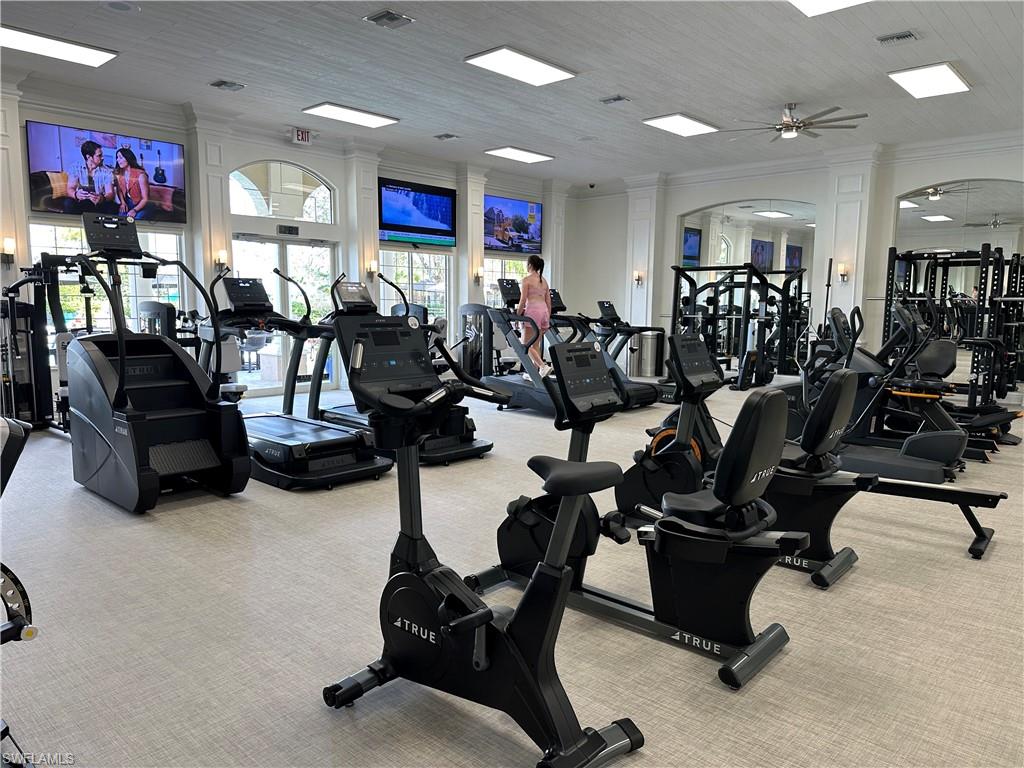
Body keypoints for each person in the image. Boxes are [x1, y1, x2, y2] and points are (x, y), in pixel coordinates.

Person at [516, 254, 553, 378]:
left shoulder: (526, 280)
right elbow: (548, 302)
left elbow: (522, 301)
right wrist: (548, 319)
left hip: (533, 312)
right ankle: (534, 374)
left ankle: (543, 366)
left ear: (530, 265)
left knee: (524, 343)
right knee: (535, 345)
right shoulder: (544, 281)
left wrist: (517, 316)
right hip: (544, 312)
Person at [64, 141, 117, 215]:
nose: (102, 158)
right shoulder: (75, 167)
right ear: (88, 157)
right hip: (81, 201)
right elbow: (70, 188)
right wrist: (76, 194)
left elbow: (110, 193)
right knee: (68, 203)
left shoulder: (107, 171)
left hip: (98, 203)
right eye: (99, 155)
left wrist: (102, 198)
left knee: (112, 207)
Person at [113, 147, 152, 219]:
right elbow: (119, 190)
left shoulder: (141, 175)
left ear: (128, 158)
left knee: (134, 220)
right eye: (117, 158)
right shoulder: (120, 173)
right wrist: (123, 203)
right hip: (128, 202)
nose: (117, 160)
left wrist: (134, 210)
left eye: (120, 157)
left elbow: (145, 199)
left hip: (142, 205)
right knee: (120, 219)